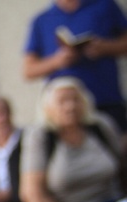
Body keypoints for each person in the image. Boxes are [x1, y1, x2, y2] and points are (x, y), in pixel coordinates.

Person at [20, 76, 122, 202]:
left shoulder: (101, 127)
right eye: (62, 101)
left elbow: (122, 167)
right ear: (48, 108)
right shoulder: (40, 136)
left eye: (75, 99)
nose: (70, 106)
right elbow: (32, 194)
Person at [23, 0, 127, 132]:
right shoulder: (42, 19)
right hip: (63, 114)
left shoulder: (104, 6)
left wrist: (106, 47)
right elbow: (28, 70)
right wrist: (57, 61)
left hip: (105, 102)